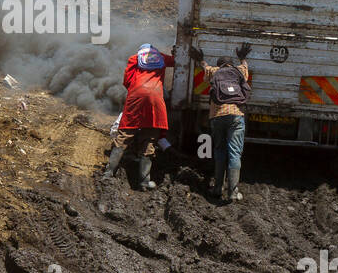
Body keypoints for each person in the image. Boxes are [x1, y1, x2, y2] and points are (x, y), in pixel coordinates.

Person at [104, 43, 175, 190]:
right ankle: (143, 181)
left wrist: (136, 89)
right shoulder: (161, 57)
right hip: (155, 97)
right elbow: (176, 61)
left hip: (136, 95)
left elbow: (127, 81)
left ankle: (108, 173)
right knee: (150, 139)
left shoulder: (134, 58)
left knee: (124, 135)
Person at [189, 42, 253, 202]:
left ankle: (217, 188)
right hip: (236, 116)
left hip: (217, 116)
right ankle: (232, 192)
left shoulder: (214, 72)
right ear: (230, 64)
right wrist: (243, 57)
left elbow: (205, 66)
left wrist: (201, 59)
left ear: (220, 65)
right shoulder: (238, 71)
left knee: (219, 151)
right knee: (235, 153)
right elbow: (245, 67)